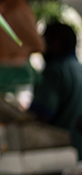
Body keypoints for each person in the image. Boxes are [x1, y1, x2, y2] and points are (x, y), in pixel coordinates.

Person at [30, 22, 82, 156]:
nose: (42, 49)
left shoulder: (55, 72)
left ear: (56, 43)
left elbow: (41, 116)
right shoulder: (78, 69)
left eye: (45, 41)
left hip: (61, 152)